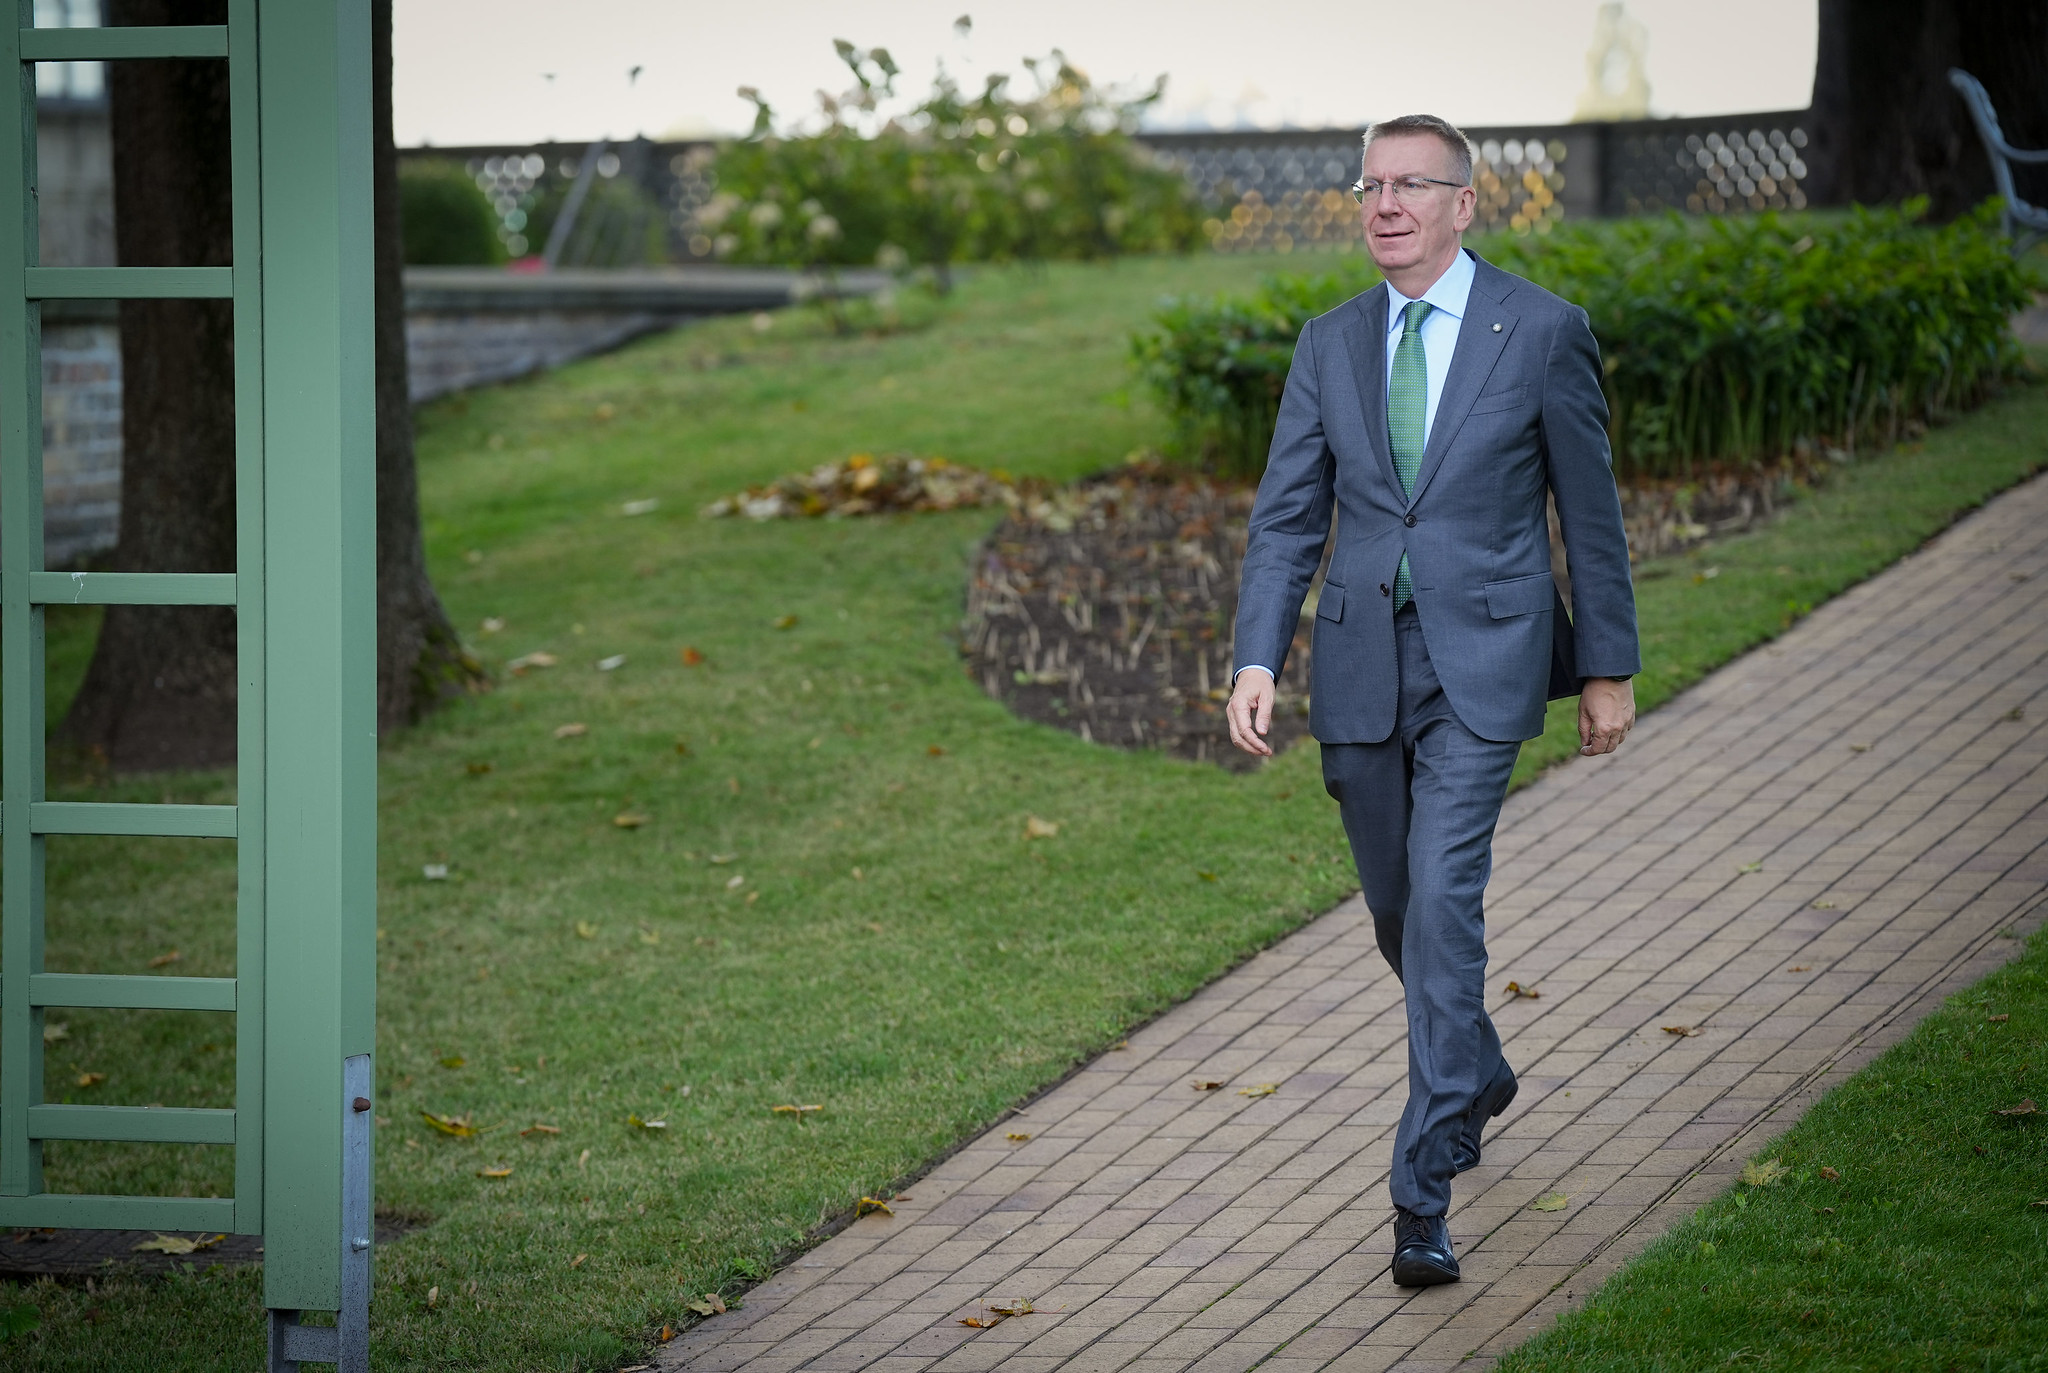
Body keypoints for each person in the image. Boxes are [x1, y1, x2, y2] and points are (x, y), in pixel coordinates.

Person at [1225, 114, 1639, 1287]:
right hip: (1360, 660)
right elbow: (1286, 518)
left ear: (1465, 202)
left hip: (1486, 658)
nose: (1385, 204)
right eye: (1370, 185)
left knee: (1444, 898)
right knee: (1396, 910)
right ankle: (1479, 1066)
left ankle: (1423, 1183)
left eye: (1411, 184)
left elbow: (1588, 513)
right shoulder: (1330, 342)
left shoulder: (1540, 330)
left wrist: (1605, 666)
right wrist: (1256, 656)